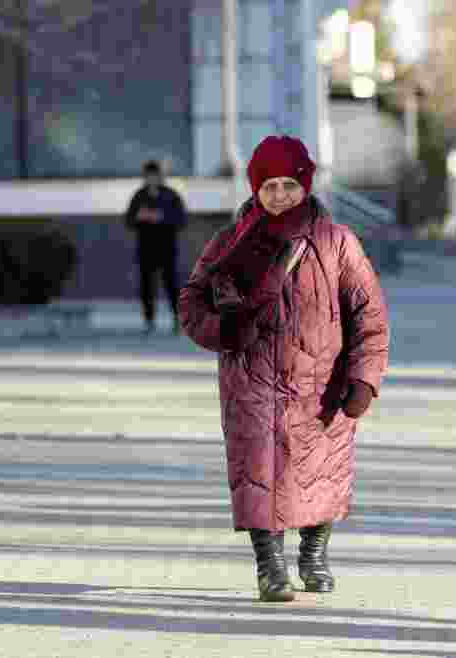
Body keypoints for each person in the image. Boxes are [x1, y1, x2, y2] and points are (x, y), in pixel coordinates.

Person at [178, 135, 390, 603]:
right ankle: (269, 567)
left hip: (319, 386)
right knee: (257, 474)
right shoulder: (229, 243)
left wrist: (363, 379)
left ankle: (314, 552)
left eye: (288, 186)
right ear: (256, 189)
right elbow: (191, 304)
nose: (279, 196)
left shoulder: (336, 242)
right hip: (250, 384)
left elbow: (369, 315)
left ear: (305, 185)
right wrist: (223, 331)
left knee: (320, 474)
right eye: (269, 186)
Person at [125, 160, 188, 334]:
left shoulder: (171, 195)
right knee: (146, 286)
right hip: (145, 248)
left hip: (167, 247)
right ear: (145, 177)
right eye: (148, 176)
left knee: (171, 285)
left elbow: (181, 219)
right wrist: (140, 217)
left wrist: (162, 217)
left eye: (155, 176)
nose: (152, 179)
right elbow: (129, 220)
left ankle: (177, 320)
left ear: (161, 177)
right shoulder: (139, 196)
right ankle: (149, 320)